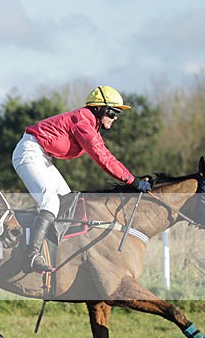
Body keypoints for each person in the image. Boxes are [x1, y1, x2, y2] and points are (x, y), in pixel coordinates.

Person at [12, 85, 151, 273]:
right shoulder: (83, 122)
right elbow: (103, 159)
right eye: (113, 112)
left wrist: (132, 179)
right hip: (29, 153)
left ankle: (54, 253)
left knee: (67, 201)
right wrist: (132, 181)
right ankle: (31, 256)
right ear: (99, 108)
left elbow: (106, 155)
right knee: (51, 202)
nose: (115, 117)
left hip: (42, 156)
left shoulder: (90, 124)